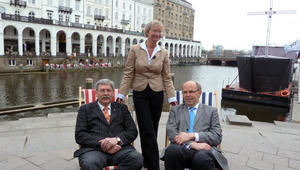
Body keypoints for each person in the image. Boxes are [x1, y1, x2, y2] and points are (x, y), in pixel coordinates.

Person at [116, 20, 177, 170]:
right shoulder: (135, 50)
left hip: (157, 93)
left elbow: (167, 76)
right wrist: (122, 93)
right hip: (140, 93)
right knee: (146, 127)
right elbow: (128, 72)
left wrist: (172, 97)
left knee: (152, 128)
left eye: (159, 32)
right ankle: (153, 165)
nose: (157, 34)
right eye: (154, 31)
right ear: (148, 32)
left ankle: (146, 159)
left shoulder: (163, 52)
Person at [74, 79, 143, 170]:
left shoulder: (122, 108)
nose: (105, 93)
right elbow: (80, 135)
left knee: (137, 159)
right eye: (102, 90)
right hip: (94, 150)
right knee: (89, 164)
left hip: (120, 149)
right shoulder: (85, 109)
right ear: (96, 93)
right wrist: (104, 144)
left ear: (113, 93)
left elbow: (132, 131)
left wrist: (116, 140)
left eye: (108, 90)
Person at [163, 81, 228, 170]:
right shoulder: (175, 110)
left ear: (199, 93)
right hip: (181, 148)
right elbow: (172, 133)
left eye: (191, 91)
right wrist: (192, 144)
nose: (188, 95)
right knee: (172, 151)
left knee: (201, 158)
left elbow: (216, 136)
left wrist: (192, 136)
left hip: (204, 149)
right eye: (185, 92)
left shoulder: (211, 111)